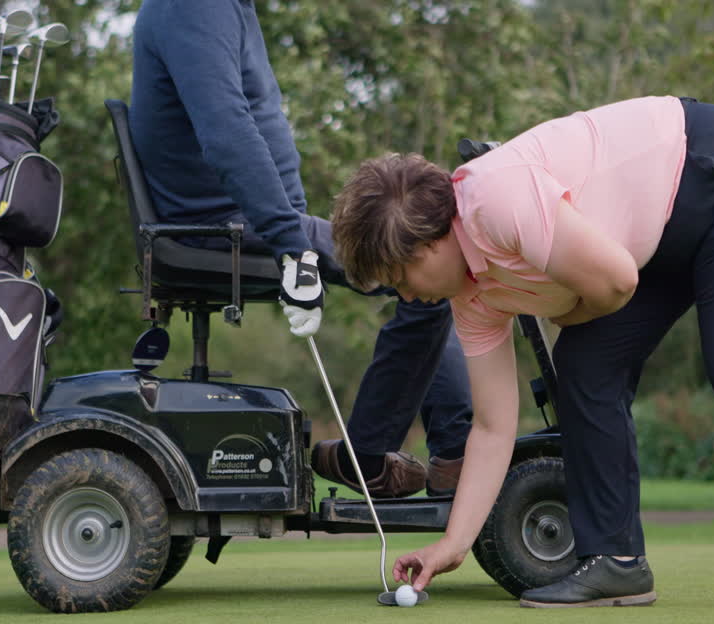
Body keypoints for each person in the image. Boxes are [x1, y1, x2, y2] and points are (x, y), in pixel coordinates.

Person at [330, 96, 714, 611]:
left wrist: (567, 317)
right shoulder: (470, 295)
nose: (404, 295)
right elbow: (494, 427)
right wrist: (453, 543)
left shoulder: (495, 202)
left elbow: (613, 282)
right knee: (586, 369)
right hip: (650, 242)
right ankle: (615, 561)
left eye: (401, 277)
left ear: (430, 241)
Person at [128, 0, 472, 498]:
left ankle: (442, 458)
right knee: (426, 266)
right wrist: (294, 250)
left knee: (428, 266)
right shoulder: (195, 6)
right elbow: (227, 133)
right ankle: (384, 459)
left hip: (255, 221)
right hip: (230, 228)